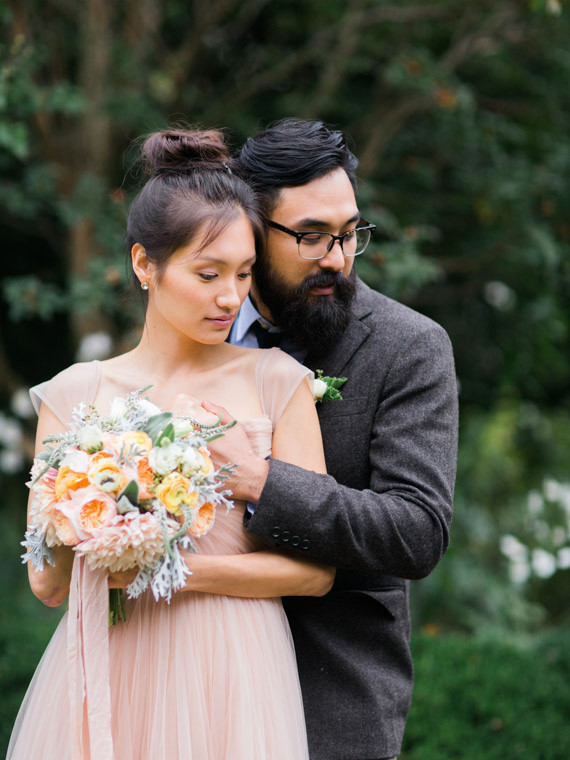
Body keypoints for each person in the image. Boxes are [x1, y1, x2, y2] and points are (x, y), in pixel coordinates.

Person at [8, 128, 336, 760]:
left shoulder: (278, 382)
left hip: (236, 669)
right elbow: (46, 583)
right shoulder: (74, 394)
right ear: (144, 264)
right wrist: (91, 519)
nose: (230, 297)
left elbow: (315, 573)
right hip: (111, 663)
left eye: (244, 273)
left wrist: (168, 572)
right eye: (208, 273)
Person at [201, 119, 459, 760]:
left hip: (329, 699)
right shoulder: (194, 325)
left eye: (349, 234)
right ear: (251, 230)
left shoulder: (409, 347)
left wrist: (263, 481)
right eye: (311, 236)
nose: (337, 259)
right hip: (188, 680)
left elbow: (418, 530)